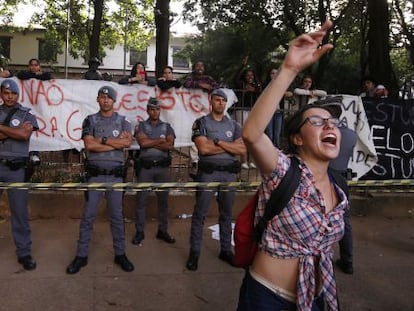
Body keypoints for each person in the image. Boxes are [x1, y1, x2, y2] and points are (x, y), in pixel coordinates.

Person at [238, 20, 349, 311]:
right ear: (297, 138)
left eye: (332, 122)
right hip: (266, 298)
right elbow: (251, 134)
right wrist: (289, 69)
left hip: (315, 298)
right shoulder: (284, 172)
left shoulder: (339, 187)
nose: (329, 125)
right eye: (316, 120)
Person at [66, 85, 134, 274]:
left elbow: (127, 143)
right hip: (95, 176)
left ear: (114, 101)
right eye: (102, 97)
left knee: (117, 218)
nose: (105, 100)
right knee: (88, 217)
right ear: (98, 100)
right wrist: (113, 144)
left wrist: (101, 141)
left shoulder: (123, 121)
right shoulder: (90, 120)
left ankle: (120, 254)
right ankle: (81, 255)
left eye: (109, 98)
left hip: (115, 177)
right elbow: (89, 144)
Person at [186, 88, 246, 271]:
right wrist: (230, 147)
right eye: (217, 99)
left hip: (229, 174)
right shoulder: (201, 122)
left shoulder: (235, 125)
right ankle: (194, 252)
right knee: (200, 214)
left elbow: (243, 150)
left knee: (227, 214)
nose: (220, 103)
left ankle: (226, 250)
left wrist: (218, 143)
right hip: (208, 174)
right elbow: (203, 150)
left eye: (223, 100)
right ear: (211, 102)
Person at [0, 79, 39, 270]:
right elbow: (18, 133)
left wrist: (3, 129)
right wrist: (14, 131)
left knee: (20, 213)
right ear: (1, 94)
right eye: (6, 93)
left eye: (13, 94)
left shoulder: (27, 115)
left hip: (17, 169)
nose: (9, 96)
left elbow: (24, 135)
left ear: (18, 95)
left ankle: (24, 253)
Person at [131, 97, 176, 245]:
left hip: (162, 168)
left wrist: (152, 142)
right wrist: (159, 141)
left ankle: (162, 231)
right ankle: (139, 232)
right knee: (141, 201)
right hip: (146, 168)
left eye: (157, 109)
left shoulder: (167, 126)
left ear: (160, 110)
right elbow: (142, 143)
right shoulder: (141, 126)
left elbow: (169, 146)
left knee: (163, 202)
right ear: (147, 110)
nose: (154, 112)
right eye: (152, 109)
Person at [183, 60, 220, 173]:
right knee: (193, 134)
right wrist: (199, 85)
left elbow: (216, 87)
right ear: (194, 68)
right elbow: (186, 84)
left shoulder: (208, 78)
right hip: (192, 112)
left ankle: (207, 158)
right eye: (197, 66)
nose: (199, 67)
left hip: (204, 111)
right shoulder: (191, 78)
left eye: (201, 65)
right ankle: (195, 162)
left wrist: (209, 87)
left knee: (206, 133)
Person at [330, 123, 357, 275]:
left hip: (328, 174)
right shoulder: (351, 134)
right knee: (344, 220)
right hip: (342, 177)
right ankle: (347, 261)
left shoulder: (328, 133)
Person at [17, 58, 51, 164]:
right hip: (27, 107)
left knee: (37, 130)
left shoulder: (44, 76)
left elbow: (48, 76)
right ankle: (27, 154)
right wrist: (36, 76)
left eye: (36, 65)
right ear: (29, 66)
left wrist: (38, 76)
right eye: (31, 65)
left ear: (39, 66)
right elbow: (21, 75)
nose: (34, 67)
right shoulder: (26, 75)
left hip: (39, 109)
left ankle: (35, 153)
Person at [232, 57, 262, 169]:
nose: (250, 77)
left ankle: (252, 160)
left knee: (252, 136)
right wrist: (242, 66)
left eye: (251, 75)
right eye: (247, 75)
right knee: (242, 135)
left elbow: (261, 92)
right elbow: (235, 78)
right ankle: (243, 160)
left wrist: (255, 89)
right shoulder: (240, 84)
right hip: (241, 110)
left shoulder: (257, 86)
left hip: (252, 111)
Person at [264, 67, 293, 148]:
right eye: (272, 73)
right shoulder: (266, 85)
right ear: (269, 75)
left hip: (278, 111)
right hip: (268, 111)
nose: (274, 75)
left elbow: (290, 93)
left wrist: (283, 92)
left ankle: (277, 148)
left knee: (277, 132)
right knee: (269, 133)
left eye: (276, 73)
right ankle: (269, 148)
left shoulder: (282, 84)